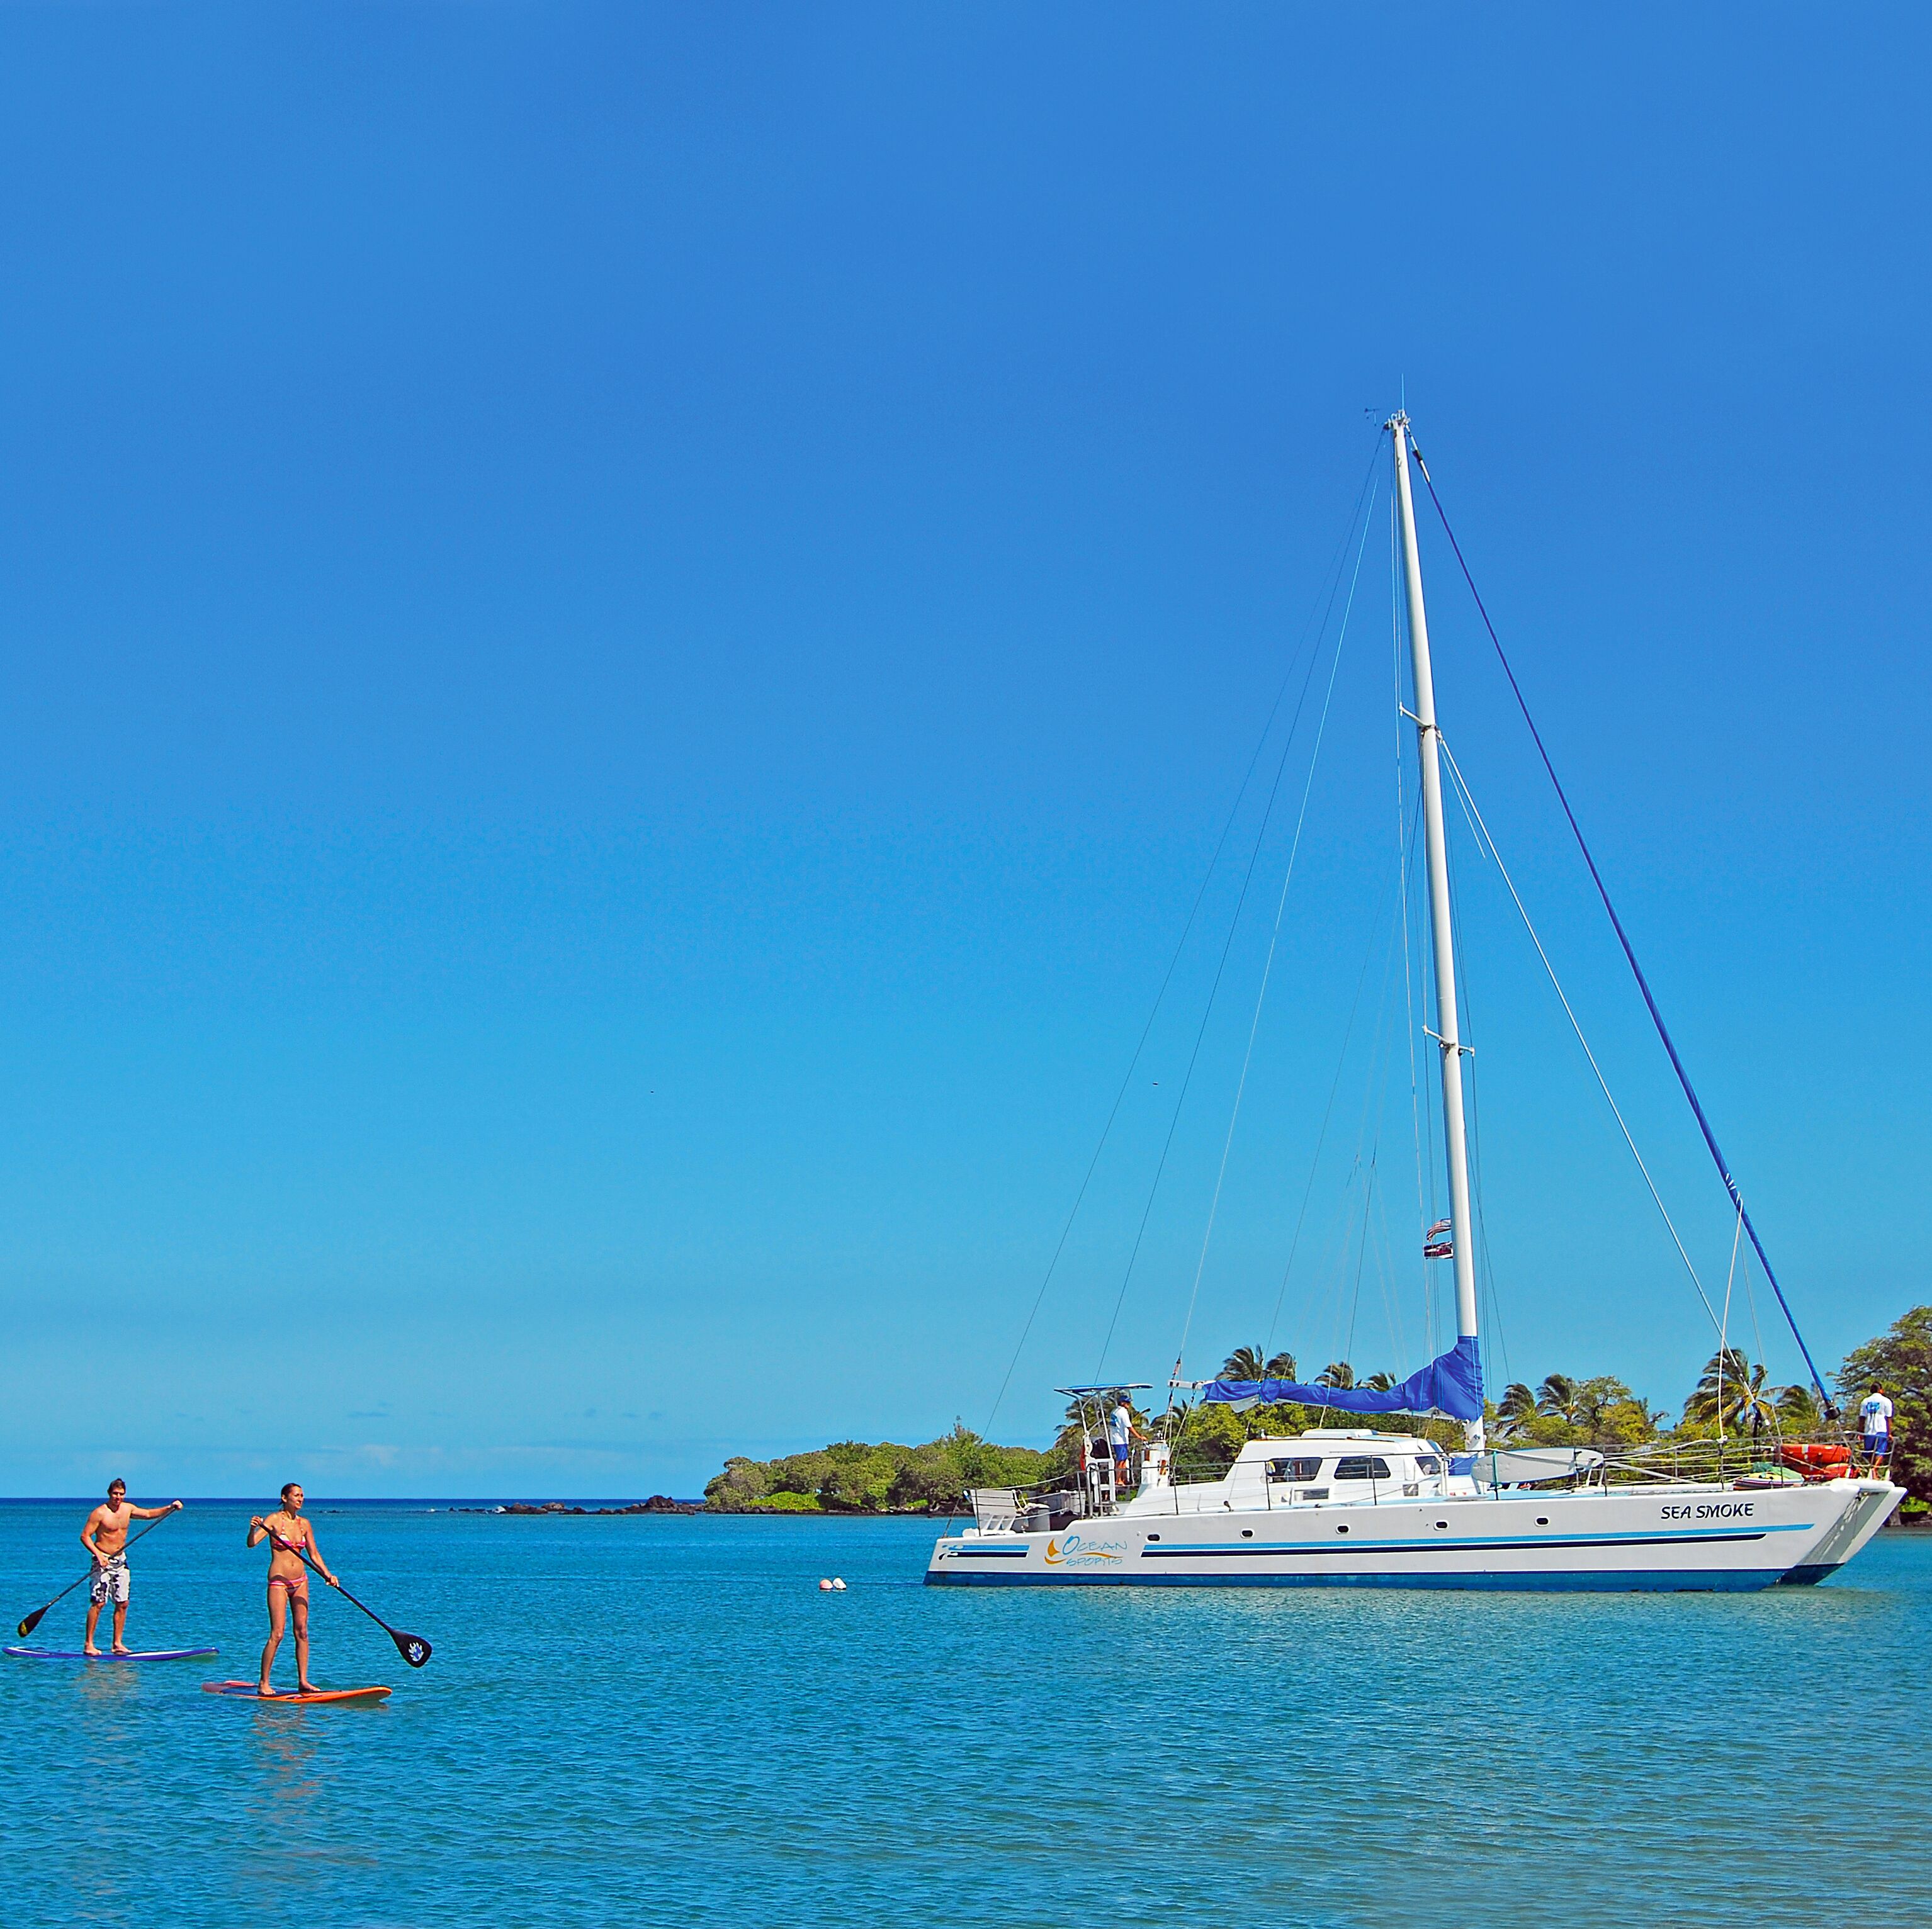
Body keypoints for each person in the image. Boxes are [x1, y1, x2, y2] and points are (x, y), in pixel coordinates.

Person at [247, 1483, 341, 1695]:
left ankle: (303, 1681)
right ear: (284, 1498)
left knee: (302, 1632)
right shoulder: (272, 1520)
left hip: (301, 1581)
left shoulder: (304, 1524)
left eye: (302, 1496)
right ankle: (264, 1682)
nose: (300, 1499)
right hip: (278, 1582)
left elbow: (314, 1555)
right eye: (296, 1496)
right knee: (278, 1633)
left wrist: (329, 1575)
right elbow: (252, 1543)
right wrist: (253, 1527)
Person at [79, 1480, 184, 1655]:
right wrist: (98, 1555)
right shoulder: (99, 1513)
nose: (118, 1498)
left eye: (121, 1494)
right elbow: (85, 1536)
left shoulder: (128, 1509)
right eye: (115, 1494)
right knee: (99, 1603)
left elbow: (149, 1514)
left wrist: (170, 1507)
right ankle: (89, 1644)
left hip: (120, 1562)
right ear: (109, 1494)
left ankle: (117, 1644)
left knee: (123, 1603)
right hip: (102, 1561)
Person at [1107, 1393, 1146, 1494]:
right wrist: (1139, 1436)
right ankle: (1118, 1480)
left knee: (1123, 1460)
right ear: (1123, 1403)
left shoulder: (1115, 1411)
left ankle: (1123, 1479)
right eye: (1127, 1402)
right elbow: (1129, 1426)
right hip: (1120, 1440)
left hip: (1116, 1439)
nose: (1129, 1404)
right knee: (1121, 1460)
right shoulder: (1123, 1412)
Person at [1860, 1383, 1894, 1473]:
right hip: (1881, 1430)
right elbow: (1889, 1418)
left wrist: (1860, 1432)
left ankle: (1872, 1470)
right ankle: (1874, 1470)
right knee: (1880, 1452)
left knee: (1870, 1452)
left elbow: (1862, 1418)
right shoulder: (1886, 1401)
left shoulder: (1865, 1401)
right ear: (1881, 1390)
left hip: (1868, 1431)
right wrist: (1890, 1433)